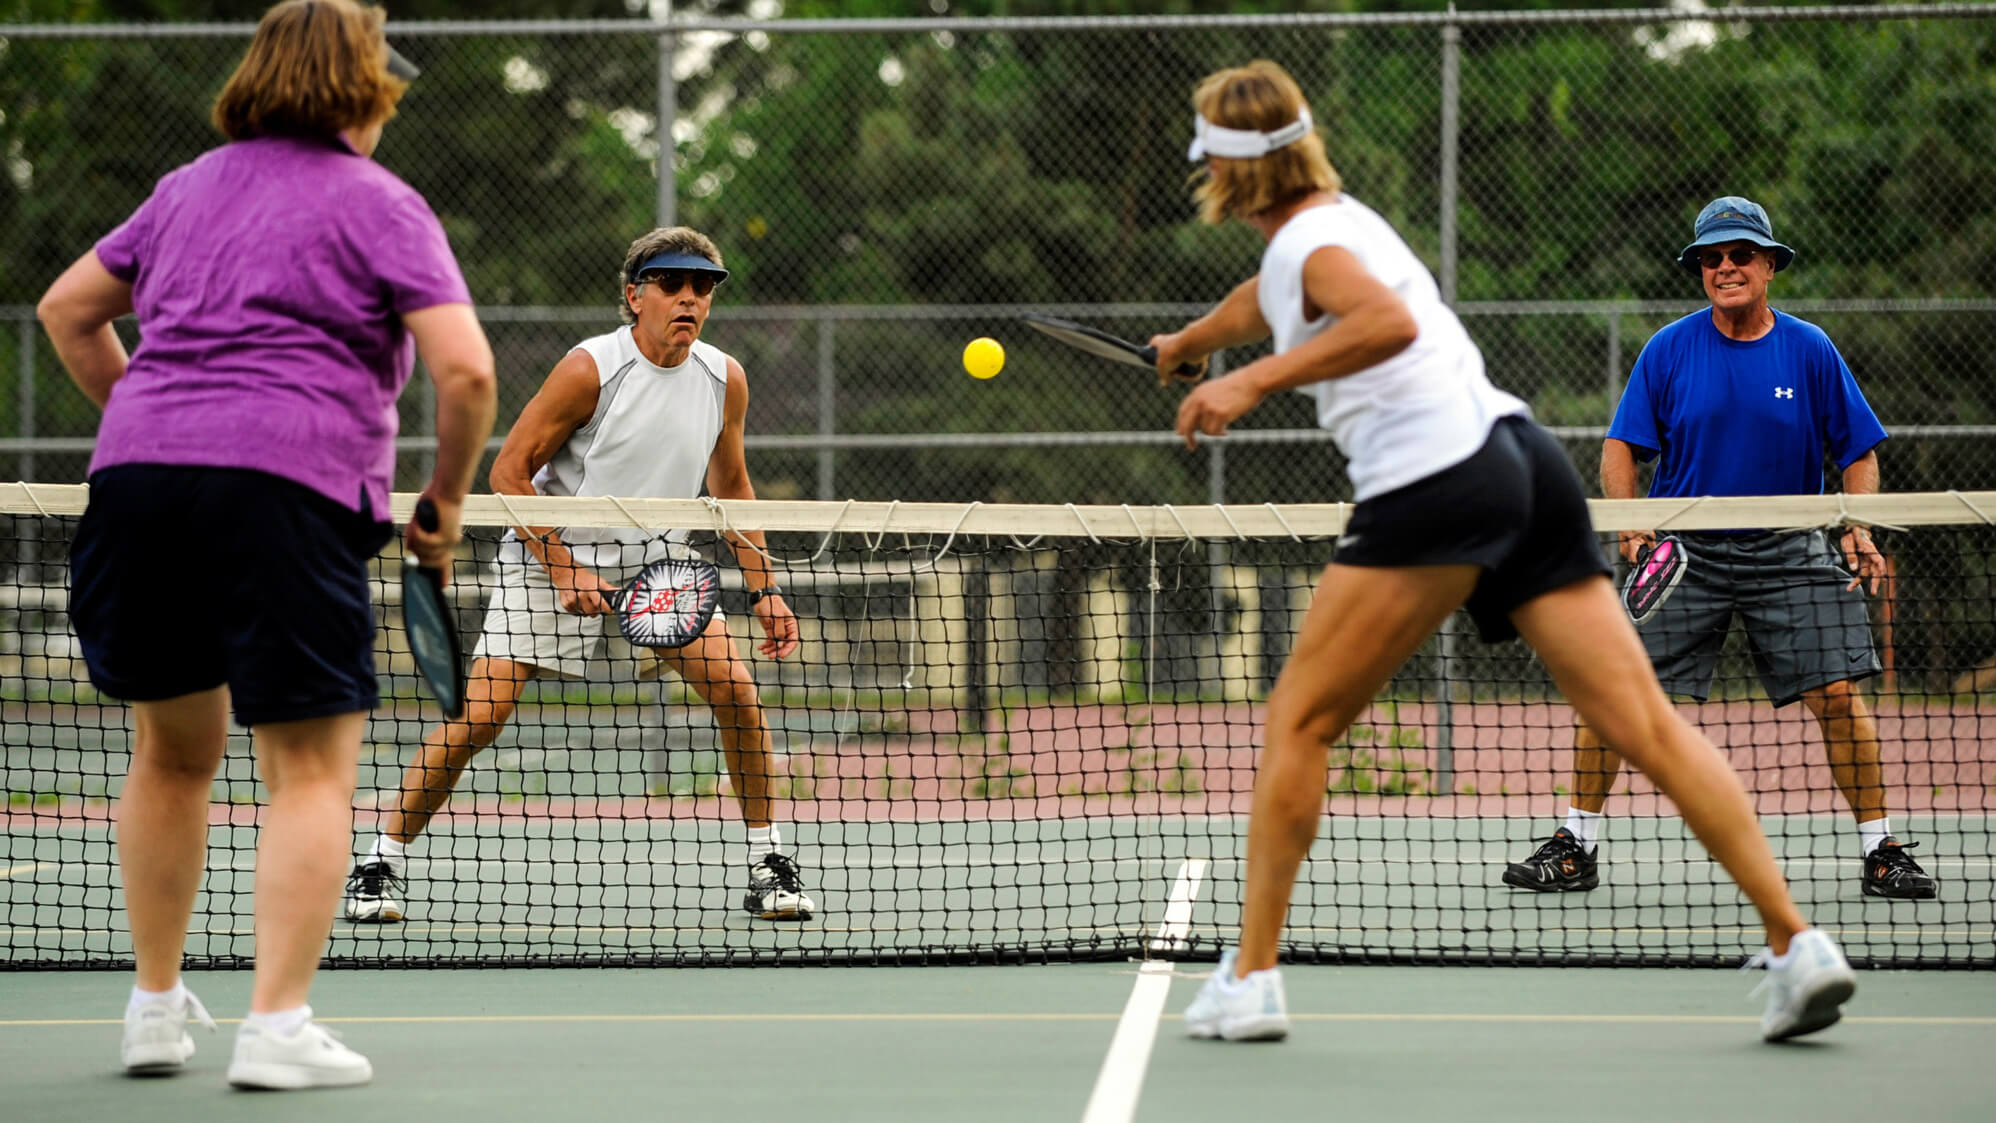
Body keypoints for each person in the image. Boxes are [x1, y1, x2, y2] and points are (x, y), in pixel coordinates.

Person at [1151, 62, 1855, 1044]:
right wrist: (1190, 342)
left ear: (1221, 173)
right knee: (1644, 723)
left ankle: (1251, 978)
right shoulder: (1335, 225)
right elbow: (1262, 295)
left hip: (1431, 483)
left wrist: (1249, 383)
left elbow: (1381, 320)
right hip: (1525, 465)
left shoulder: (1315, 244)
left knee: (1299, 723)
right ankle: (1797, 945)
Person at [34, 0, 496, 1090]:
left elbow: (67, 309)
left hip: (139, 487)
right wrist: (444, 501)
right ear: (359, 89)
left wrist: (145, 421)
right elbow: (467, 372)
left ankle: (154, 1007)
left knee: (172, 752)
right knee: (308, 773)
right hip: (285, 490)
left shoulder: (186, 187)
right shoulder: (382, 204)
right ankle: (276, 1025)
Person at [344, 225, 816, 925]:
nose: (689, 299)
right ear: (635, 296)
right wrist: (562, 567)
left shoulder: (724, 378)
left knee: (737, 694)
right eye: (672, 285)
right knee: (481, 717)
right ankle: (377, 863)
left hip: (658, 563)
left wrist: (767, 588)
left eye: (703, 288)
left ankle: (767, 863)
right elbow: (508, 470)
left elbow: (734, 486)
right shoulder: (591, 368)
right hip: (549, 551)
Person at [1500, 197, 1937, 902]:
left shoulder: (1810, 348)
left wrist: (1859, 523)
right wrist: (1633, 521)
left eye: (1739, 254)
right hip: (1686, 557)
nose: (1725, 266)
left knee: (1837, 694)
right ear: (1701, 270)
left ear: (1768, 265)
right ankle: (1576, 845)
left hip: (1791, 549)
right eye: (1711, 258)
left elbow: (1858, 451)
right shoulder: (1668, 349)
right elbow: (1621, 447)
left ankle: (1882, 848)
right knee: (1612, 691)